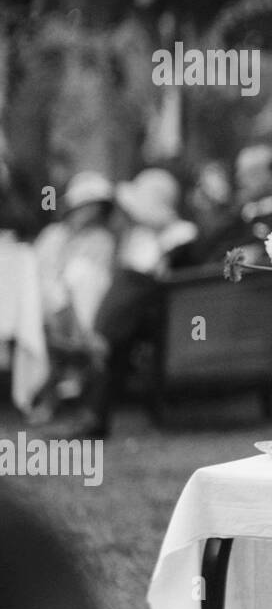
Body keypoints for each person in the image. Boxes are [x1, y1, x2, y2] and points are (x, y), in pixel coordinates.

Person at [77, 168, 199, 439]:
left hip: (170, 313)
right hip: (136, 316)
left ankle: (98, 342)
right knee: (117, 330)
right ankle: (95, 413)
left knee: (128, 284)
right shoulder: (138, 236)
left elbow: (164, 275)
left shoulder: (183, 234)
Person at [30, 171, 118, 417]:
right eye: (85, 206)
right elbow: (38, 275)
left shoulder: (103, 240)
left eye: (96, 208)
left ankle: (77, 365)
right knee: (54, 297)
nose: (89, 213)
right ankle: (53, 389)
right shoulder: (52, 235)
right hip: (49, 313)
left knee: (81, 277)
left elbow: (95, 282)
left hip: (84, 316)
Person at [197, 144, 272, 263]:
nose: (240, 179)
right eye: (240, 172)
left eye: (252, 172)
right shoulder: (233, 219)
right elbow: (209, 255)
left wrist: (261, 252)